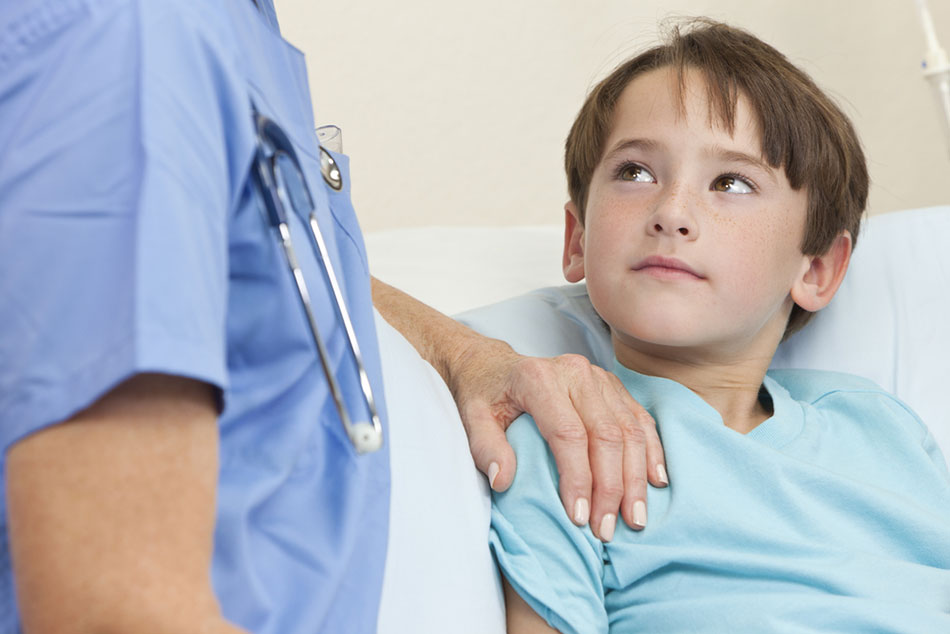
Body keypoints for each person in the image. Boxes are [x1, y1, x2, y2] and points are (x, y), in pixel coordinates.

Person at [0, 1, 668, 632]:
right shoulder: (134, 43)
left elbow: (252, 253)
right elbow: (116, 614)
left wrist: (461, 353)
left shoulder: (220, 33)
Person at [490, 19, 950, 634]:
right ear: (577, 239)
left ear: (816, 269)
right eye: (635, 172)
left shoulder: (881, 427)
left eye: (731, 183)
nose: (671, 212)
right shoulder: (564, 441)